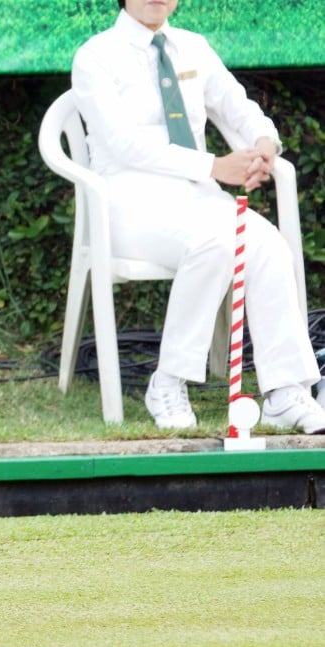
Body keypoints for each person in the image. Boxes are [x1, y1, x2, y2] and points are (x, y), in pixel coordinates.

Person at [71, 0, 325, 433]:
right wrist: (212, 166)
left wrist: (264, 143)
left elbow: (235, 106)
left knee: (266, 244)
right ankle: (169, 381)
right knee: (217, 240)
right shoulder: (96, 56)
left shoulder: (192, 47)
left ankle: (284, 392)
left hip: (196, 199)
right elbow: (121, 144)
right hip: (126, 201)